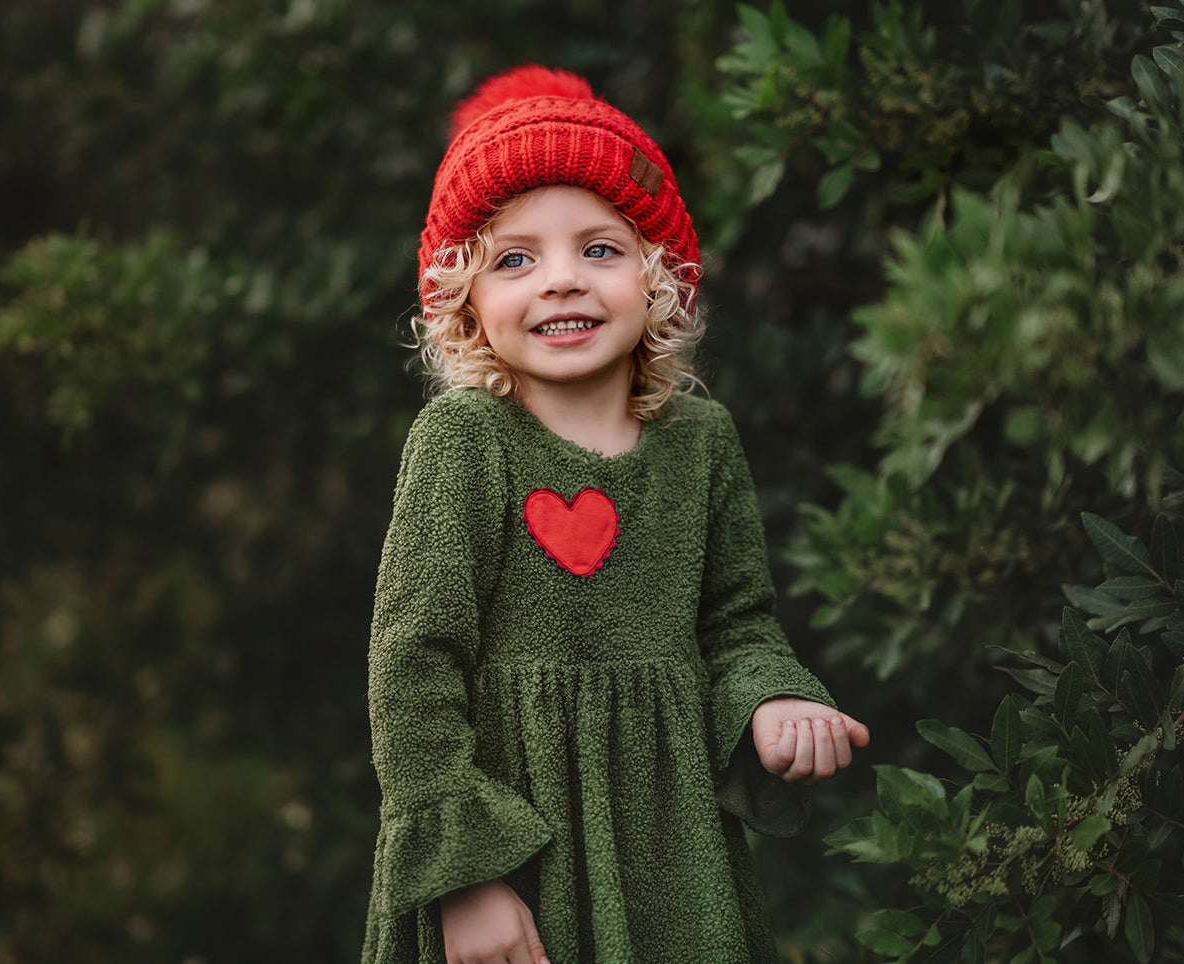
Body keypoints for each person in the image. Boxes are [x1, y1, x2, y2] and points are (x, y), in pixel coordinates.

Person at [362, 65, 869, 964]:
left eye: (600, 249)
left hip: (671, 854)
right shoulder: (465, 439)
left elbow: (735, 623)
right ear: (464, 301)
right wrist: (465, 877)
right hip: (511, 853)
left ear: (659, 278)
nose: (561, 281)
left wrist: (771, 698)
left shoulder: (698, 442)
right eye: (515, 258)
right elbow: (412, 663)